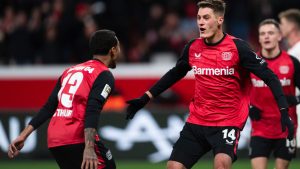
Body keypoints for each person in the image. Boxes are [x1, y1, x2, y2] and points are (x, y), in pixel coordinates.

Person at [126, 1, 294, 169]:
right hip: (197, 121)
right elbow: (175, 73)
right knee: (173, 167)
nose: (200, 22)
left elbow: (270, 77)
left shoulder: (238, 48)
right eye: (199, 17)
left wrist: (283, 111)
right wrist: (145, 97)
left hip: (227, 122)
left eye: (206, 18)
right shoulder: (193, 47)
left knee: (221, 164)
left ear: (219, 20)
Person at [7, 29, 120, 169]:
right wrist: (89, 147)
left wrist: (23, 135)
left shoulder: (70, 71)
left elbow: (49, 107)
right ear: (113, 50)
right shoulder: (103, 74)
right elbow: (92, 109)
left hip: (55, 140)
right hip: (77, 137)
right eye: (118, 47)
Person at [249, 19, 299, 169]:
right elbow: (238, 92)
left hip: (286, 128)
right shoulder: (250, 63)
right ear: (258, 38)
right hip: (260, 128)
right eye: (262, 34)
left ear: (279, 36)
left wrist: (295, 98)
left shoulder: (292, 62)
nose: (266, 37)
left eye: (270, 33)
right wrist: (248, 107)